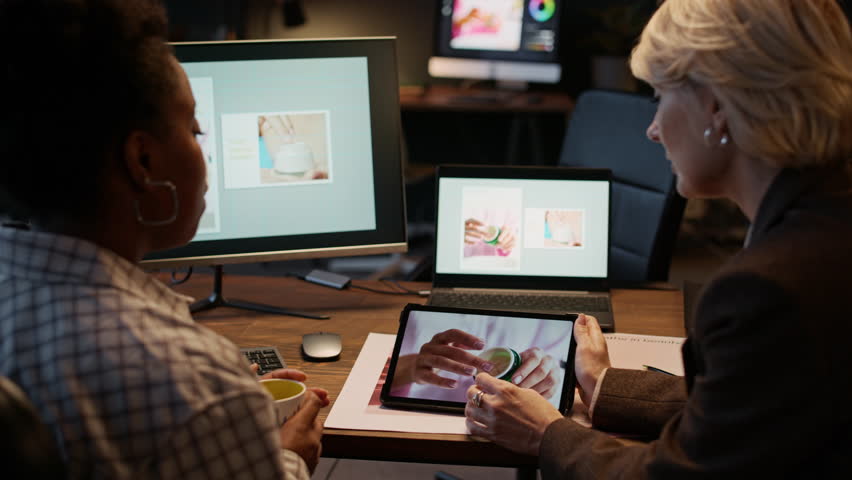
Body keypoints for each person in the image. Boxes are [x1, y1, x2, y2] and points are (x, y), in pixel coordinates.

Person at [462, 0, 852, 477]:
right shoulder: (826, 220)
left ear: (716, 105)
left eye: (659, 97)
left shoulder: (769, 288)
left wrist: (546, 434)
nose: (651, 130)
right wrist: (604, 384)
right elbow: (757, 404)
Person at [0, 1, 328, 478]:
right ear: (144, 162)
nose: (203, 151)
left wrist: (228, 411)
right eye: (194, 128)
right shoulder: (190, 378)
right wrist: (288, 458)